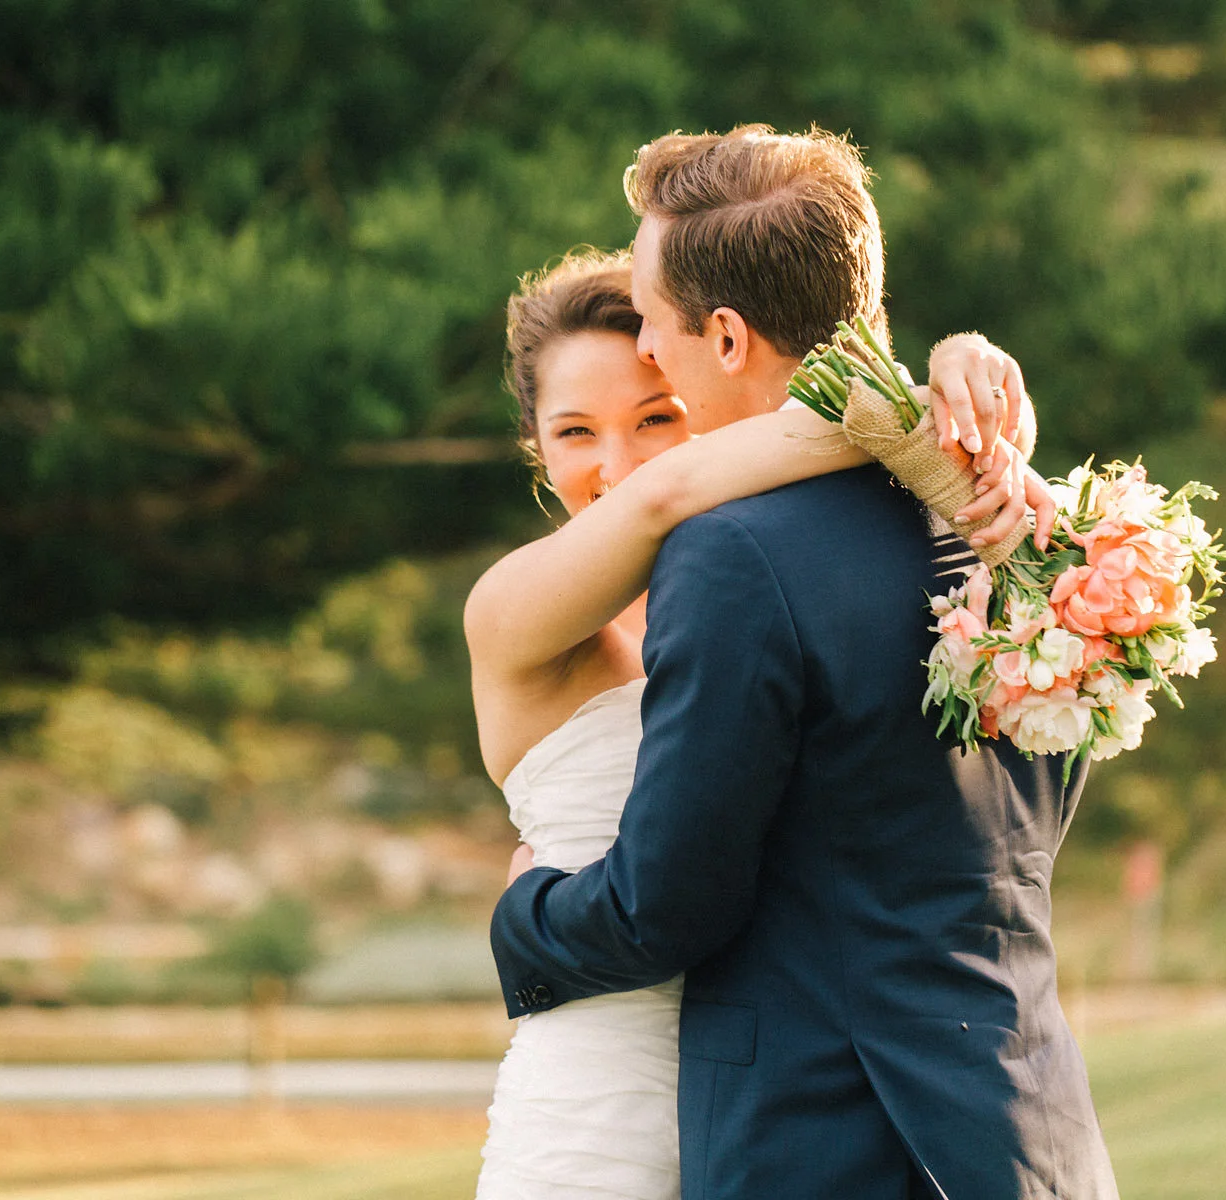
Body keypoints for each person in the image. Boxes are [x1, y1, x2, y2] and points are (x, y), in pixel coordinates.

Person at [486, 125, 1120, 1199]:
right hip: (1024, 1127)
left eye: (653, 326)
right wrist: (931, 391)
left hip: (823, 1136)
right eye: (574, 432)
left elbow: (667, 906)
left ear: (725, 339)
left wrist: (522, 918)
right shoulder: (1012, 521)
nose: (651, 347)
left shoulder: (734, 556)